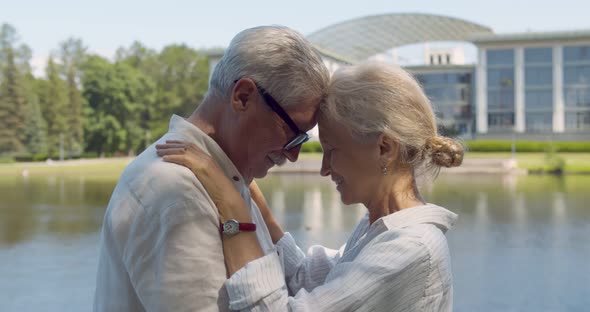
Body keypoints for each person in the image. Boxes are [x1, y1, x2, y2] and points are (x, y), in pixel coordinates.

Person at [156, 61, 464, 311]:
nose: (324, 169)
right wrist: (238, 176)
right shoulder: (379, 228)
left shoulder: (410, 248)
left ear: (384, 148)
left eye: (332, 151)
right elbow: (306, 279)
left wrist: (232, 206)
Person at [93, 25, 330, 311]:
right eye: (292, 131)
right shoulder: (178, 193)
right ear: (243, 96)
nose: (294, 154)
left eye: (303, 140)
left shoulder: (221, 179)